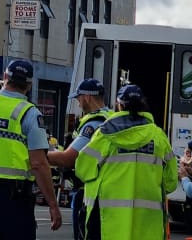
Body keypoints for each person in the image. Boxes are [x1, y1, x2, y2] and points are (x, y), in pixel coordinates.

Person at [0, 59, 62, 239]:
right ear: (29, 85)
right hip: (14, 198)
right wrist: (53, 205)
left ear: (5, 77)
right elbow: (39, 164)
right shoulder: (30, 114)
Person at [75, 84, 178, 240]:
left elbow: (83, 170)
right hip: (148, 228)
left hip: (108, 225)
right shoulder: (158, 137)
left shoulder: (103, 135)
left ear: (119, 105)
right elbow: (170, 183)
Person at [47, 78, 111, 240]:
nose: (78, 102)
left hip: (89, 192)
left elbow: (69, 158)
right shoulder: (111, 117)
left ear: (87, 97)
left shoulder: (94, 123)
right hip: (106, 191)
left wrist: (38, 155)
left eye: (78, 98)